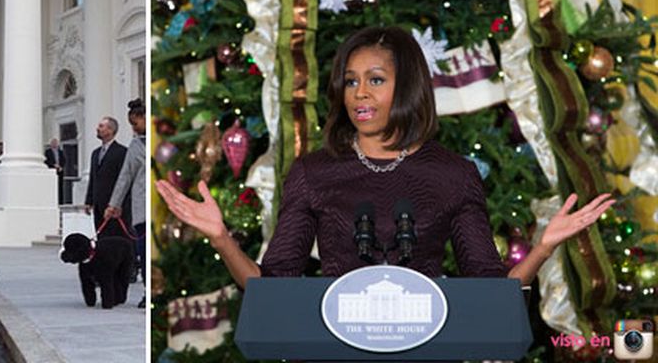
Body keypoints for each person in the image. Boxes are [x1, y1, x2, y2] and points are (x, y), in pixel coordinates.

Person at [156, 26, 614, 289]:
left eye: (375, 79)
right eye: (351, 81)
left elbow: (488, 293)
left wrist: (543, 248)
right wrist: (220, 237)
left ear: (407, 86)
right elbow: (270, 289)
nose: (359, 93)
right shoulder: (314, 172)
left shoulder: (455, 175)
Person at [105, 98, 147, 308]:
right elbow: (125, 176)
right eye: (131, 124)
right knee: (144, 250)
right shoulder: (135, 146)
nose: (134, 128)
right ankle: (148, 291)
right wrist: (114, 204)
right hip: (142, 206)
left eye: (135, 123)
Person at [85, 117, 131, 238]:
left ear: (110, 130)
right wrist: (89, 201)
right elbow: (93, 178)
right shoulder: (95, 153)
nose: (97, 129)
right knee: (101, 237)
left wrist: (118, 204)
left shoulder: (122, 152)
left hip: (114, 206)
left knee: (115, 238)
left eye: (101, 126)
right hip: (98, 205)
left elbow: (124, 180)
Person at [45, 138, 67, 204]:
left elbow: (64, 160)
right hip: (51, 171)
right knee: (52, 187)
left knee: (60, 187)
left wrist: (61, 167)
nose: (55, 144)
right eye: (53, 142)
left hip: (59, 171)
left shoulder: (60, 152)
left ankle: (60, 201)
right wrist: (53, 165)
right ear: (51, 144)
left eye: (56, 142)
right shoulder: (47, 152)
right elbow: (46, 161)